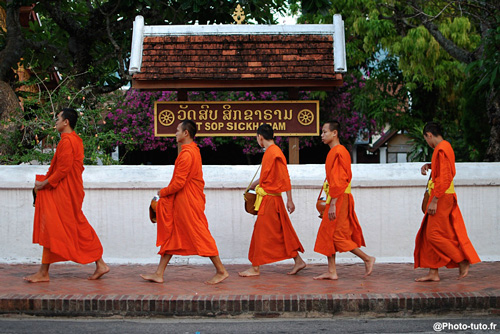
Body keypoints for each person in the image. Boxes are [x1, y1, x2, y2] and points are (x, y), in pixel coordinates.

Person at [24, 108, 109, 283]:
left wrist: (44, 183)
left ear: (66, 122)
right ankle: (44, 271)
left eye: (58, 119)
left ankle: (100, 263)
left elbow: (63, 169)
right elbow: (59, 167)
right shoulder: (73, 139)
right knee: (54, 227)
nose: (55, 122)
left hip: (64, 191)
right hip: (66, 190)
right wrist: (44, 182)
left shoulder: (68, 141)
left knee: (74, 226)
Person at [141, 120, 229, 285]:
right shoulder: (191, 151)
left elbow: (179, 183)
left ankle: (221, 270)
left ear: (186, 133)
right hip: (184, 201)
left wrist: (162, 192)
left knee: (200, 234)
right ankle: (159, 273)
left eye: (177, 130)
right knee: (172, 235)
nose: (175, 133)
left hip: (188, 202)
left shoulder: (187, 154)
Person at [414, 122, 480, 281]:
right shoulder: (443, 148)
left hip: (441, 196)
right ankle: (433, 272)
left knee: (433, 234)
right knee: (430, 233)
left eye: (426, 139)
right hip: (441, 194)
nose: (427, 143)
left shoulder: (442, 149)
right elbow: (443, 170)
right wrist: (429, 166)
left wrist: (435, 200)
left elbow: (445, 177)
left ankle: (461, 260)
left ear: (429, 135)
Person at [238, 124, 306, 277]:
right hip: (270, 199)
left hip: (270, 201)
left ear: (260, 137)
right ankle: (298, 261)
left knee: (260, 233)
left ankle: (255, 268)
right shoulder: (272, 152)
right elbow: (265, 178)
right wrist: (252, 186)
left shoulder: (273, 152)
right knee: (281, 233)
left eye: (257, 138)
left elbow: (284, 177)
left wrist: (290, 199)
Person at [313, 120, 375, 280]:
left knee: (337, 236)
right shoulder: (334, 151)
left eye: (325, 132)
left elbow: (340, 180)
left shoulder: (339, 151)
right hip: (335, 196)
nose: (322, 135)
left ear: (335, 133)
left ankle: (367, 258)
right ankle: (332, 271)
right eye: (322, 132)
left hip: (339, 198)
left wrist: (333, 203)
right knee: (328, 233)